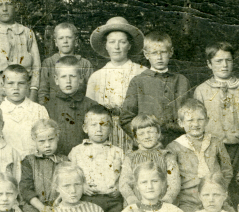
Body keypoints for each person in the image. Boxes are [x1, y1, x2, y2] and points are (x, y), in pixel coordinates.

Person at [193, 42, 239, 177]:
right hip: (212, 151)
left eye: (228, 60)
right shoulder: (201, 90)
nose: (224, 65)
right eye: (218, 61)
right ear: (209, 64)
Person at [85, 17, 146, 152]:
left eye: (122, 42)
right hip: (105, 135)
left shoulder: (142, 72)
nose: (117, 47)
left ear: (129, 45)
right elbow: (90, 112)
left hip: (135, 133)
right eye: (112, 42)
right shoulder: (96, 77)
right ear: (106, 45)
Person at [119, 30, 190, 144]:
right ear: (146, 55)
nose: (159, 57)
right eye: (154, 53)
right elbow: (126, 119)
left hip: (179, 143)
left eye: (163, 52)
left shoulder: (181, 81)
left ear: (171, 52)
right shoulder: (138, 82)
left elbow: (190, 116)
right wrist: (142, 139)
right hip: (148, 146)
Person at [165, 98, 235, 212]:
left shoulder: (216, 142)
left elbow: (227, 170)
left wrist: (220, 189)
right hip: (189, 200)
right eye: (190, 120)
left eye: (200, 120)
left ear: (207, 120)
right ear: (181, 123)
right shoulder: (173, 147)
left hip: (216, 196)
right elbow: (172, 180)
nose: (195, 124)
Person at [67, 104, 124, 212]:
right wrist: (81, 185)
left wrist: (119, 187)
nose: (99, 129)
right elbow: (70, 175)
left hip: (112, 200)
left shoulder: (117, 152)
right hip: (87, 199)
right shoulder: (77, 151)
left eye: (103, 124)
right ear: (85, 128)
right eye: (93, 125)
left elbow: (126, 175)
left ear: (111, 128)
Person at [115, 161, 188, 212]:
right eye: (144, 182)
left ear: (163, 183)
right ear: (137, 186)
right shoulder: (129, 211)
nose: (149, 186)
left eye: (154, 181)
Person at [119, 115, 180, 206]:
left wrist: (167, 199)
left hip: (163, 205)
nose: (147, 136)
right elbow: (124, 184)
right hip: (137, 206)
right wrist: (132, 200)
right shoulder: (130, 158)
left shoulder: (167, 156)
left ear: (158, 133)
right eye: (141, 133)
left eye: (150, 132)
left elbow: (174, 182)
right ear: (136, 138)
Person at [43, 55, 96, 155]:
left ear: (81, 78)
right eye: (63, 76)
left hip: (84, 157)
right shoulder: (48, 107)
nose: (68, 81)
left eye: (72, 76)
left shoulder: (91, 105)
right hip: (57, 158)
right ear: (56, 80)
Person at [0, 64, 49, 159]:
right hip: (7, 162)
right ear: (3, 86)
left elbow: (47, 139)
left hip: (35, 162)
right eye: (10, 83)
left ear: (28, 85)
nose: (16, 87)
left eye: (21, 83)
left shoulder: (39, 110)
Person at [19, 120, 67, 212]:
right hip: (34, 210)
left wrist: (58, 204)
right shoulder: (28, 161)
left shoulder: (65, 161)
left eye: (51, 139)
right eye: (41, 141)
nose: (47, 145)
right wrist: (42, 208)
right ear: (34, 140)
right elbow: (25, 189)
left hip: (59, 209)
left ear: (57, 137)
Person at [36, 23, 93, 105]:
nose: (65, 41)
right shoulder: (48, 63)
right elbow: (43, 91)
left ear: (76, 41)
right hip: (54, 107)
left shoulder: (85, 64)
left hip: (79, 107)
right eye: (61, 38)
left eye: (69, 37)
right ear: (56, 42)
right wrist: (45, 108)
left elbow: (90, 90)